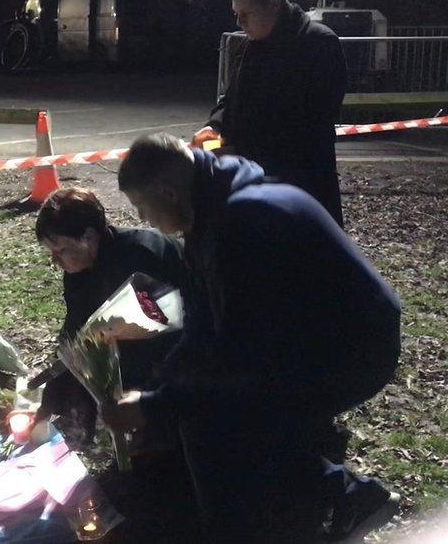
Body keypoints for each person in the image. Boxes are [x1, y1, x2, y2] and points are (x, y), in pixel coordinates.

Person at [103, 134, 400, 542]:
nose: (146, 220)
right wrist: (162, 383)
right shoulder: (207, 209)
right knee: (213, 405)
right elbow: (204, 325)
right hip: (305, 336)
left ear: (168, 193)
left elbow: (242, 358)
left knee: (232, 411)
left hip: (354, 348)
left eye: (142, 208)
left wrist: (158, 405)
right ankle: (299, 497)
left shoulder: (244, 222)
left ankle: (340, 496)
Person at [31, 188, 186, 443]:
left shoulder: (142, 253)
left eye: (61, 250)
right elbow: (78, 329)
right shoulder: (78, 271)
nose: (55, 261)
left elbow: (171, 325)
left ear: (89, 237)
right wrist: (58, 379)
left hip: (178, 357)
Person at [194, 0, 347, 226]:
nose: (239, 22)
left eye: (246, 14)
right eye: (236, 14)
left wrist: (238, 149)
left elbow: (311, 127)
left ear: (274, 3)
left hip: (301, 196)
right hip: (256, 187)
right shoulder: (252, 44)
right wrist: (214, 126)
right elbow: (231, 100)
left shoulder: (318, 44)